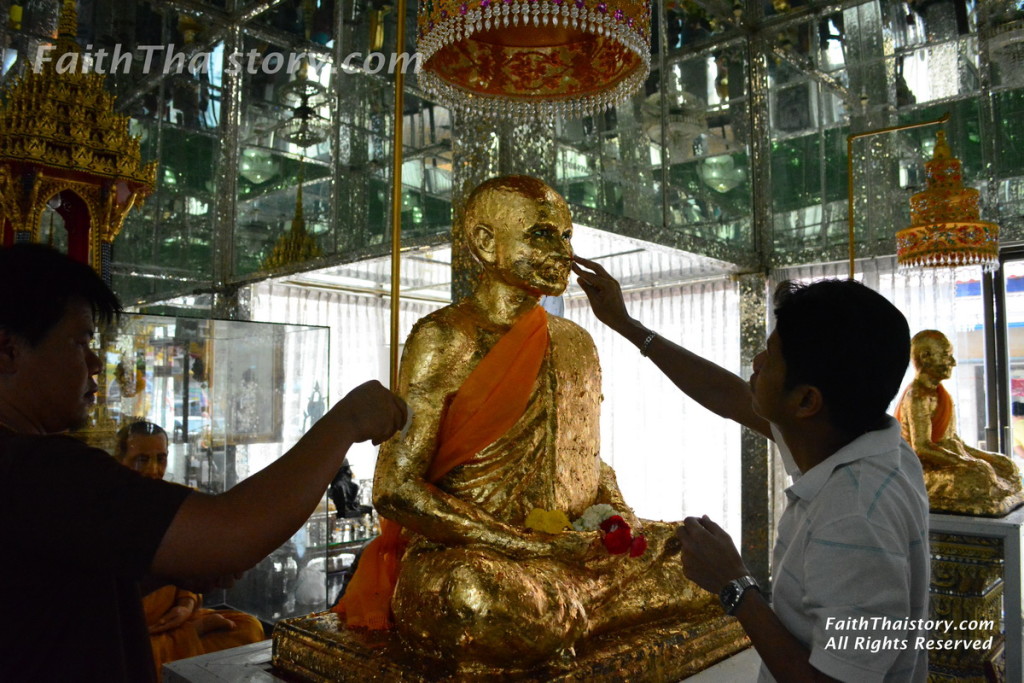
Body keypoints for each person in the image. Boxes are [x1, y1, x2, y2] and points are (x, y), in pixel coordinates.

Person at [334, 176, 715, 670]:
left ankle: (567, 612)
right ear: (486, 242)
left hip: (570, 552)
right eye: (541, 234)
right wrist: (517, 542)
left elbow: (585, 460)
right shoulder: (446, 337)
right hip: (480, 556)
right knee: (475, 598)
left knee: (696, 559)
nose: (563, 251)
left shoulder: (576, 341)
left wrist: (619, 521)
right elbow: (395, 488)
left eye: (566, 235)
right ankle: (561, 612)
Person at [0, 243, 407, 682]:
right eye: (80, 343)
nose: (95, 362)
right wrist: (346, 421)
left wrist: (152, 574)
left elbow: (43, 596)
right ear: (8, 351)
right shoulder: (32, 469)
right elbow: (230, 534)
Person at [572, 257, 930, 682]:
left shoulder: (853, 514)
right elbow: (729, 395)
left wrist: (734, 585)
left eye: (771, 356)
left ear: (806, 402)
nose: (756, 363)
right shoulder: (859, 442)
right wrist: (625, 324)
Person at [114, 420, 265, 681]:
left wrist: (186, 605)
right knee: (132, 658)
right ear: (119, 462)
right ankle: (192, 636)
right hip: (136, 634)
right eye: (141, 460)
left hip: (178, 620)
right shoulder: (110, 511)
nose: (153, 469)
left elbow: (186, 570)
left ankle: (190, 634)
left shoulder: (172, 501)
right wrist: (190, 631)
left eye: (160, 459)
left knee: (250, 628)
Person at [895, 329, 1023, 516]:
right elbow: (922, 448)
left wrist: (989, 458)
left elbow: (954, 441)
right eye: (947, 355)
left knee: (1007, 467)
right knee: (980, 476)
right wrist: (966, 463)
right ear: (926, 357)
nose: (953, 362)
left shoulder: (940, 394)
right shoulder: (917, 395)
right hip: (925, 468)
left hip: (950, 459)